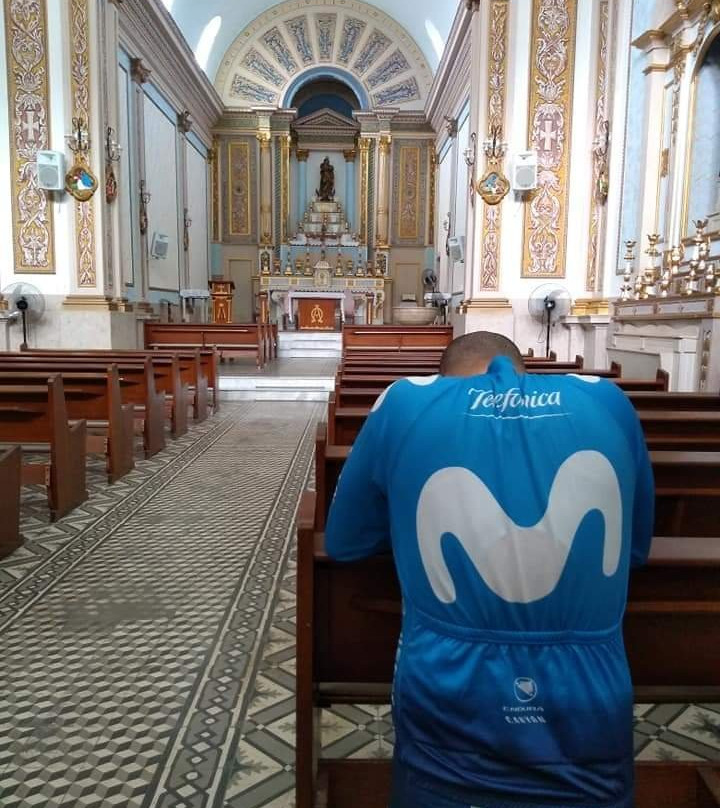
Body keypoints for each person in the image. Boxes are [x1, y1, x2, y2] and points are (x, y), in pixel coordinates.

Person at [325, 331, 654, 808]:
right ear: (524, 370)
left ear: (444, 379)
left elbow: (344, 542)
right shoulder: (608, 401)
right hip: (589, 699)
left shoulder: (404, 403)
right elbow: (635, 549)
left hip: (449, 693)